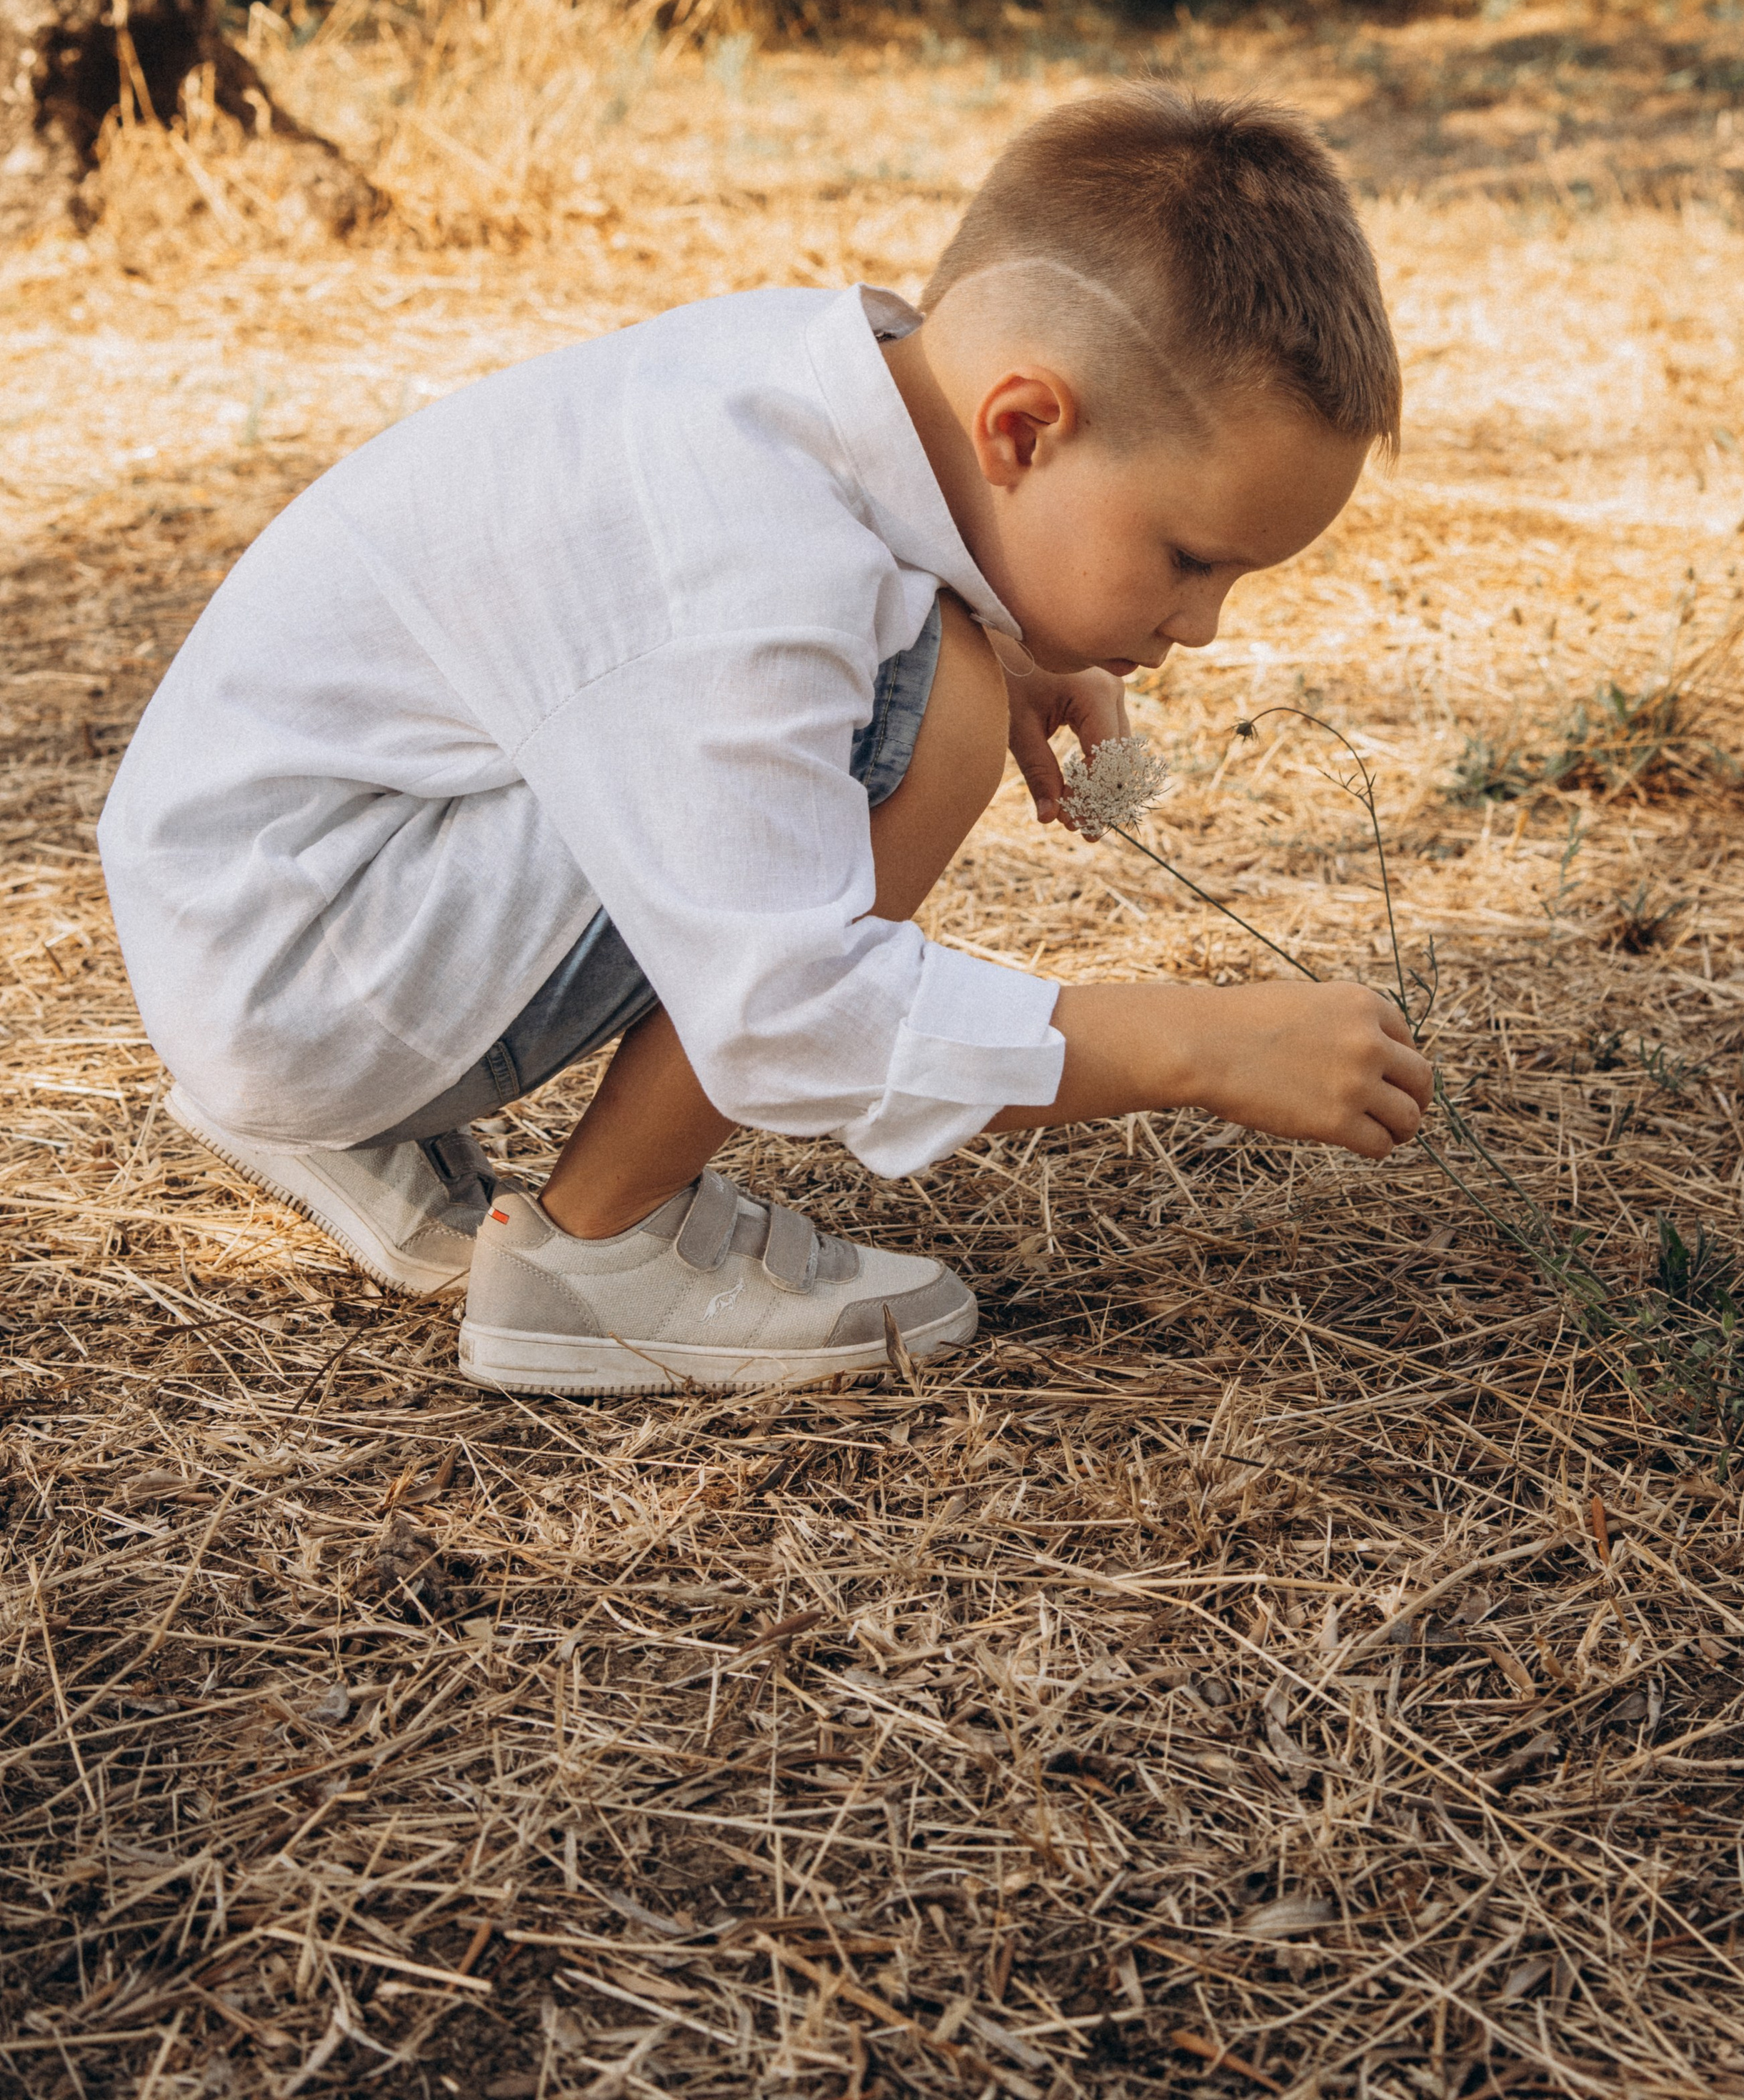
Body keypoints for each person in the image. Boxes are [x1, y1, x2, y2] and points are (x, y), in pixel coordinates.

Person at [98, 87, 1432, 1394]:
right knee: (941, 715)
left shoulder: (810, 377)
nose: (1200, 625)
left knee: (945, 667)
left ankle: (338, 1113)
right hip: (296, 971)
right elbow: (789, 1015)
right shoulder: (749, 568)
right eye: (1193, 559)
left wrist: (1017, 627)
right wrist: (1198, 1047)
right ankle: (596, 1256)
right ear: (1021, 426)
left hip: (260, 904)